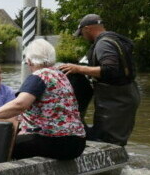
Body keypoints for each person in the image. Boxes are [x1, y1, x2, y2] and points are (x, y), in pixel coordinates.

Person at [0, 39, 86, 160]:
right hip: (77, 142)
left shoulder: (38, 77)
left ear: (29, 61)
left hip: (56, 142)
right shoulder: (60, 75)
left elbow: (19, 105)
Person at [60, 14, 140, 146]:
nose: (83, 37)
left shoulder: (103, 44)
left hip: (117, 100)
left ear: (87, 29)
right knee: (111, 138)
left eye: (82, 34)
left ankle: (113, 165)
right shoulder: (114, 39)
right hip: (125, 95)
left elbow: (110, 70)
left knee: (109, 141)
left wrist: (78, 69)